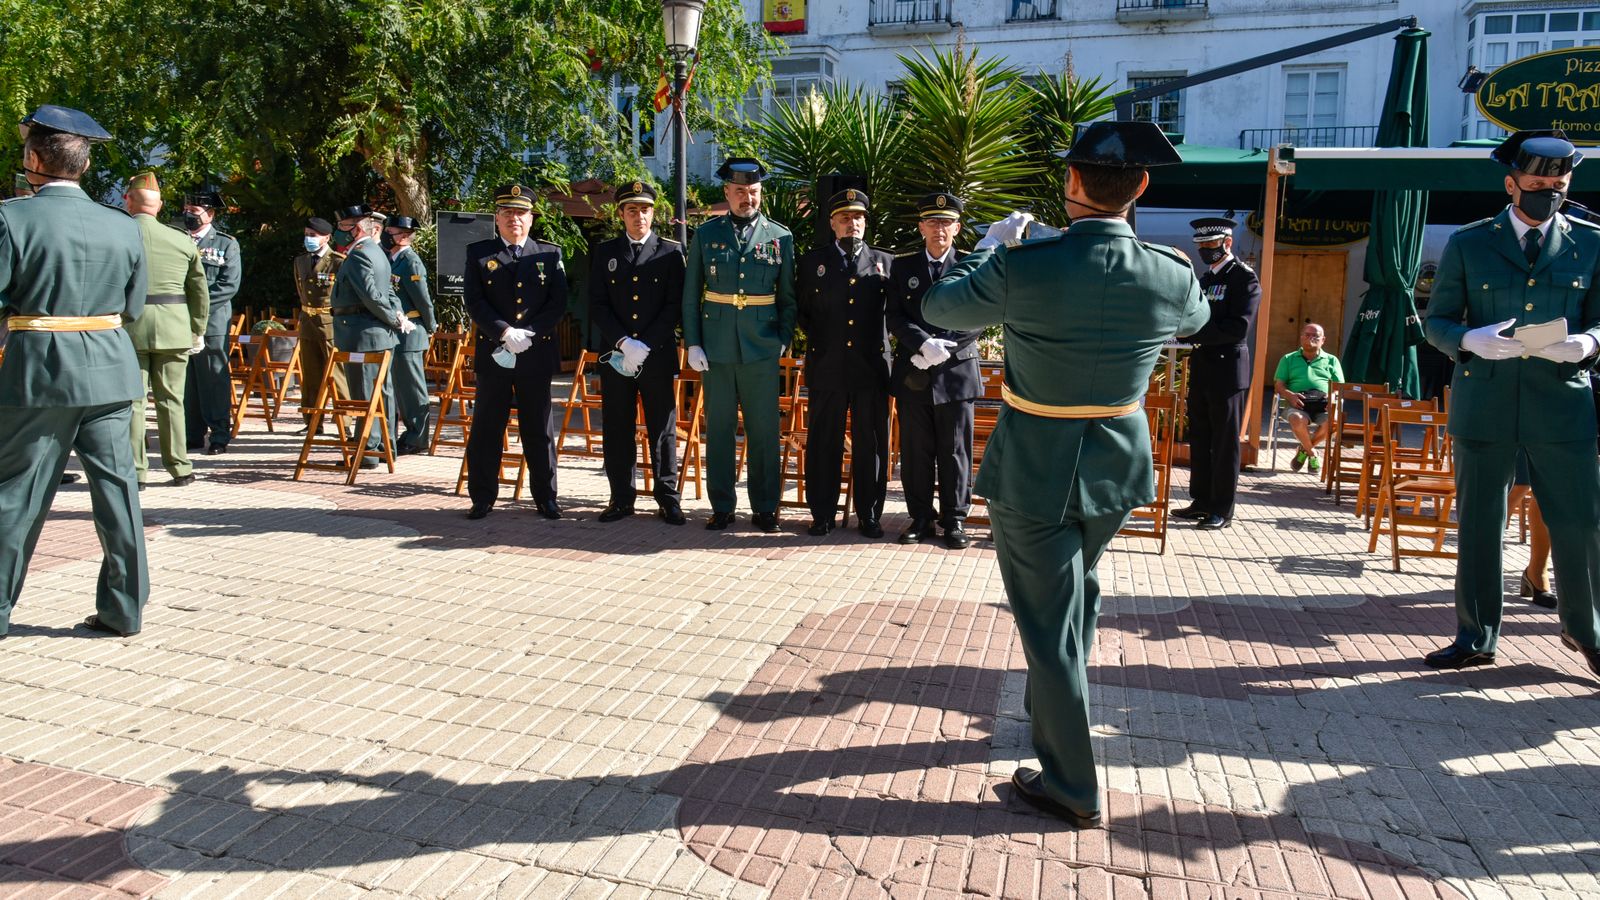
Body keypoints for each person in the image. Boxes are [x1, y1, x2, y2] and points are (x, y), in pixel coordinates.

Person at [923, 120, 1208, 827]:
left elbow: (939, 305)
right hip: (1117, 464)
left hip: (1036, 465)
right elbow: (1198, 318)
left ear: (1068, 183)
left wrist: (993, 248)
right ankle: (1050, 711)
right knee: (1077, 588)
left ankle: (1072, 787)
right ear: (1140, 187)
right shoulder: (1169, 270)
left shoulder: (1024, 265)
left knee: (1046, 626)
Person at [1421, 130, 1600, 679]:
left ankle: (1586, 632)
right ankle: (1476, 635)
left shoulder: (1593, 242)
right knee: (1480, 524)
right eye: (1537, 183)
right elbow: (1437, 321)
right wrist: (1469, 340)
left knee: (1580, 524)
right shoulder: (1469, 243)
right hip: (1487, 402)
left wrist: (1589, 343)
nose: (1548, 192)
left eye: (1558, 185)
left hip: (1562, 404)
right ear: (1510, 183)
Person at [0, 104, 150, 638]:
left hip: (40, 372)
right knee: (118, 492)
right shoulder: (123, 225)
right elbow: (132, 308)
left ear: (34, 158)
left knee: (17, 493)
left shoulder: (10, 217)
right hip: (110, 370)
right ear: (84, 167)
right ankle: (123, 609)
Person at [682, 158, 797, 533]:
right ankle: (722, 506)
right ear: (727, 193)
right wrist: (693, 343)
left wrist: (782, 338)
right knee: (719, 428)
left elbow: (788, 297)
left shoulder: (780, 237)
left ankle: (765, 507)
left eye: (754, 192)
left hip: (761, 346)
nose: (748, 197)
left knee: (764, 430)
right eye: (741, 191)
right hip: (716, 346)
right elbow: (690, 295)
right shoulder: (706, 234)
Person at [462, 184, 567, 521]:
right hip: (495, 353)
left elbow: (557, 303)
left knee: (538, 428)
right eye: (507, 213)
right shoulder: (479, 253)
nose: (514, 220)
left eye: (521, 213)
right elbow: (474, 301)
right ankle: (482, 497)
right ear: (497, 218)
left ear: (531, 218)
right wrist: (504, 331)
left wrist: (530, 334)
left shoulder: (550, 254)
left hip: (535, 354)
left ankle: (545, 497)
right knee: (487, 428)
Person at [795, 189, 893, 538]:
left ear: (865, 223)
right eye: (845, 218)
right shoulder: (812, 262)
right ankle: (821, 513)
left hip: (871, 369)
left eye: (859, 218)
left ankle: (869, 514)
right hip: (828, 365)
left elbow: (893, 315)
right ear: (832, 223)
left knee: (872, 445)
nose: (852, 224)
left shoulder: (885, 261)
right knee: (824, 443)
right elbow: (803, 313)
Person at [887, 191, 981, 550]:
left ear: (956, 228)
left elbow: (981, 313)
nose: (939, 229)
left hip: (956, 372)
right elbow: (893, 315)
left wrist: (945, 344)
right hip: (916, 370)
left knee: (956, 450)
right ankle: (921, 517)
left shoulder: (972, 264)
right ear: (921, 226)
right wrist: (922, 344)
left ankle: (954, 520)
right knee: (916, 449)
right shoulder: (903, 266)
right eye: (933, 222)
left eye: (946, 223)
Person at [588, 181, 686, 525]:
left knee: (663, 427)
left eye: (645, 209)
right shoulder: (605, 252)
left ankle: (668, 498)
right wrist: (623, 343)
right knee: (617, 426)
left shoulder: (671, 252)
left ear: (653, 213)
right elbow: (597, 305)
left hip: (656, 355)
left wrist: (645, 344)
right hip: (617, 356)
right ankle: (621, 498)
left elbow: (675, 304)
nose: (639, 216)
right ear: (621, 214)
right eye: (632, 210)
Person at [1172, 215, 1260, 530]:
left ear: (1227, 243)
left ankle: (1222, 507)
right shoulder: (1206, 280)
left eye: (1211, 244)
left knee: (1225, 442)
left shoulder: (1244, 278)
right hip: (1204, 365)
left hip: (1228, 368)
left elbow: (1238, 328)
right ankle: (1201, 500)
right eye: (1202, 246)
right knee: (1201, 436)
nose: (1206, 250)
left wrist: (1192, 335)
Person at [123, 171, 208, 488]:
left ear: (128, 200)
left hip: (129, 327)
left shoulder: (120, 235)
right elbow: (199, 290)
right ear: (158, 206)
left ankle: (137, 471)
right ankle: (180, 467)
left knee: (134, 402)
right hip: (174, 327)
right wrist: (197, 329)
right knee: (172, 400)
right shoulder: (180, 239)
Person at [329, 204, 403, 468]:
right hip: (373, 332)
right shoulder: (376, 251)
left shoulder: (360, 254)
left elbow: (372, 295)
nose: (338, 232)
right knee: (382, 392)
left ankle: (369, 450)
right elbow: (388, 292)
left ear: (357, 228)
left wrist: (394, 319)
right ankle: (386, 445)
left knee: (364, 394)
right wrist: (396, 317)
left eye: (342, 227)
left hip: (363, 332)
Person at [180, 187, 241, 455]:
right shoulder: (179, 238)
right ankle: (192, 433)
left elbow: (229, 285)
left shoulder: (226, 243)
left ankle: (219, 434)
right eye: (187, 210)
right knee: (187, 380)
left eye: (194, 211)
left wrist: (196, 309)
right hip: (180, 321)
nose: (189, 215)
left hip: (211, 322)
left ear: (211, 214)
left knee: (213, 379)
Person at [383, 215, 437, 454]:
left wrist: (430, 325)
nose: (387, 235)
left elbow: (422, 299)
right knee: (400, 387)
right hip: (397, 331)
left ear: (404, 236)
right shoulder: (392, 260)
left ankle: (418, 437)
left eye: (391, 231)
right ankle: (408, 434)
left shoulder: (410, 261)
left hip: (411, 330)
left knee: (412, 389)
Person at [293, 217, 348, 425]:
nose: (309, 239)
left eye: (313, 236)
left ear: (326, 237)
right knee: (311, 374)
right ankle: (312, 422)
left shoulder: (337, 261)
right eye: (307, 235)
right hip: (308, 321)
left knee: (337, 374)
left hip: (330, 322)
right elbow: (301, 291)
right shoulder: (301, 261)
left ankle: (345, 422)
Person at [1272, 322, 1344, 473]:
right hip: (1297, 404)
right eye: (1307, 335)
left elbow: (1340, 387)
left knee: (1334, 422)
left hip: (1323, 404)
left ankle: (1304, 450)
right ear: (1301, 338)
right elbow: (1279, 385)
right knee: (1297, 419)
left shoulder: (1332, 360)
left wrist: (1332, 396)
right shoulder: (1288, 359)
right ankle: (1312, 453)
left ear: (1323, 340)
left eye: (1315, 336)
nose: (1311, 338)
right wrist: (1290, 396)